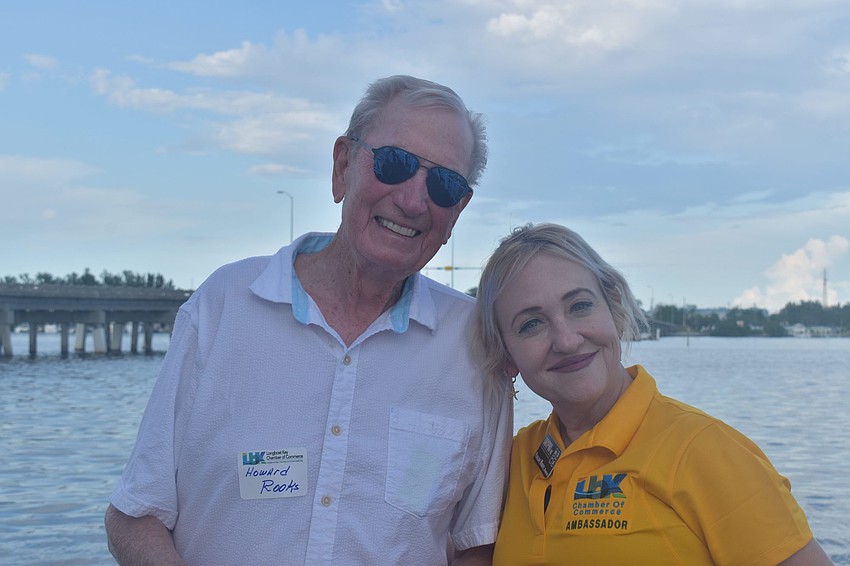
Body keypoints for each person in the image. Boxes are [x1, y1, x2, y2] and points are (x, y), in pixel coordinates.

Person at [105, 75, 513, 565]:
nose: (412, 200)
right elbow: (136, 515)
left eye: (444, 184)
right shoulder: (223, 306)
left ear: (458, 211)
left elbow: (477, 546)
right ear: (342, 166)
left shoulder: (472, 347)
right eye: (395, 163)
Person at [471, 223, 833, 565]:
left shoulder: (704, 450)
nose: (566, 340)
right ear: (506, 356)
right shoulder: (510, 461)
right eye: (531, 324)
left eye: (580, 305)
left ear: (613, 307)